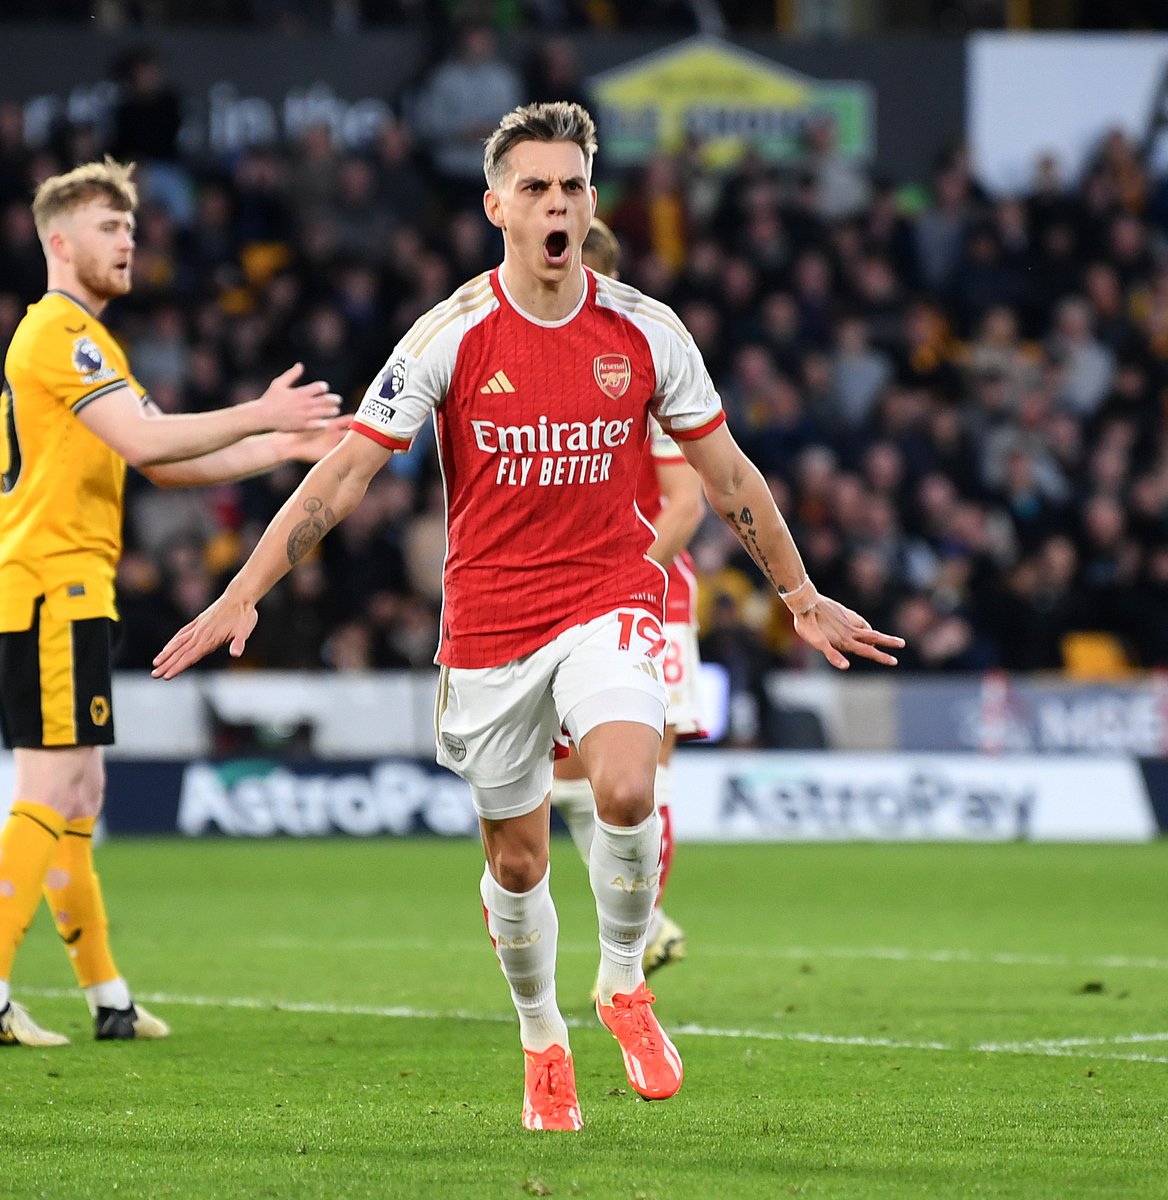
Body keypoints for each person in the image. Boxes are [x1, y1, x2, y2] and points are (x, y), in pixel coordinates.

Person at [151, 103, 903, 1131]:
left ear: (592, 202)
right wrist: (242, 591)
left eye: (572, 187)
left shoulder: (647, 330)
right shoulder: (450, 336)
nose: (556, 204)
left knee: (630, 786)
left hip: (611, 595)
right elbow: (343, 478)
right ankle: (543, 1036)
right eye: (536, 188)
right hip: (493, 627)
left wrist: (799, 593)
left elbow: (728, 475)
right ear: (496, 204)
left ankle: (625, 981)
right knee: (517, 861)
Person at [0, 158, 344, 1046]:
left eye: (132, 228)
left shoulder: (90, 344)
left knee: (80, 789)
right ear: (59, 241)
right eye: (110, 227)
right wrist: (261, 410)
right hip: (49, 585)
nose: (129, 241)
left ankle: (107, 998)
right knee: (52, 783)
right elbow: (148, 435)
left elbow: (163, 463)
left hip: (66, 586)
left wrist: (284, 448)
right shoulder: (58, 335)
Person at [550, 217, 704, 987]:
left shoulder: (641, 355)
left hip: (651, 588)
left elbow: (689, 497)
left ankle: (641, 935)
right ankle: (639, 926)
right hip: (574, 593)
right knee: (575, 776)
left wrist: (628, 577)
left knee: (650, 768)